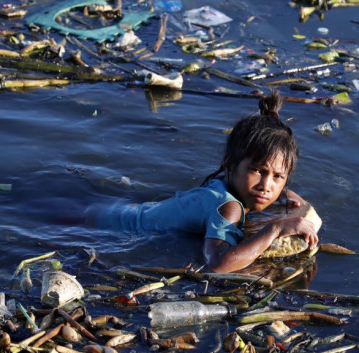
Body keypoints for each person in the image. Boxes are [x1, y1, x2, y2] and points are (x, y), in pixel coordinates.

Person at [89, 90, 318, 273]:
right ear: (230, 164)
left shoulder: (226, 182)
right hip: (111, 228)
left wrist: (288, 197)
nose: (266, 186)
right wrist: (274, 229)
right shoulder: (229, 207)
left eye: (278, 177)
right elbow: (218, 264)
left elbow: (268, 182)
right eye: (258, 171)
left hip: (120, 213)